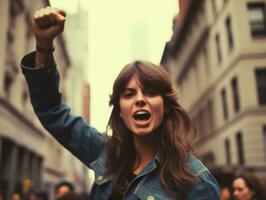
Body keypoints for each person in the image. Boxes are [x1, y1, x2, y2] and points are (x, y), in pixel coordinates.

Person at [20, 6, 221, 200]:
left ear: (166, 106)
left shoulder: (197, 181)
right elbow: (51, 111)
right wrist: (44, 46)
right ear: (120, 111)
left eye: (151, 92)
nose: (140, 99)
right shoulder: (104, 153)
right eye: (129, 94)